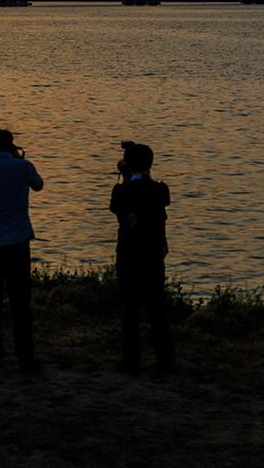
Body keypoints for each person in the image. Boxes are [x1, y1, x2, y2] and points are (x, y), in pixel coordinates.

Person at [0, 128, 43, 373]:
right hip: (16, 242)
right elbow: (39, 185)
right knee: (20, 300)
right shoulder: (23, 167)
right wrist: (20, 160)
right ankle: (25, 355)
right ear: (11, 145)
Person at [110, 141, 175, 374]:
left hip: (128, 255)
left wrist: (125, 176)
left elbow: (119, 206)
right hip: (154, 255)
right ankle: (165, 360)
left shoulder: (121, 191)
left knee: (130, 309)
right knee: (158, 309)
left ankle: (131, 360)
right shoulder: (161, 190)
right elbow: (152, 194)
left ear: (127, 166)